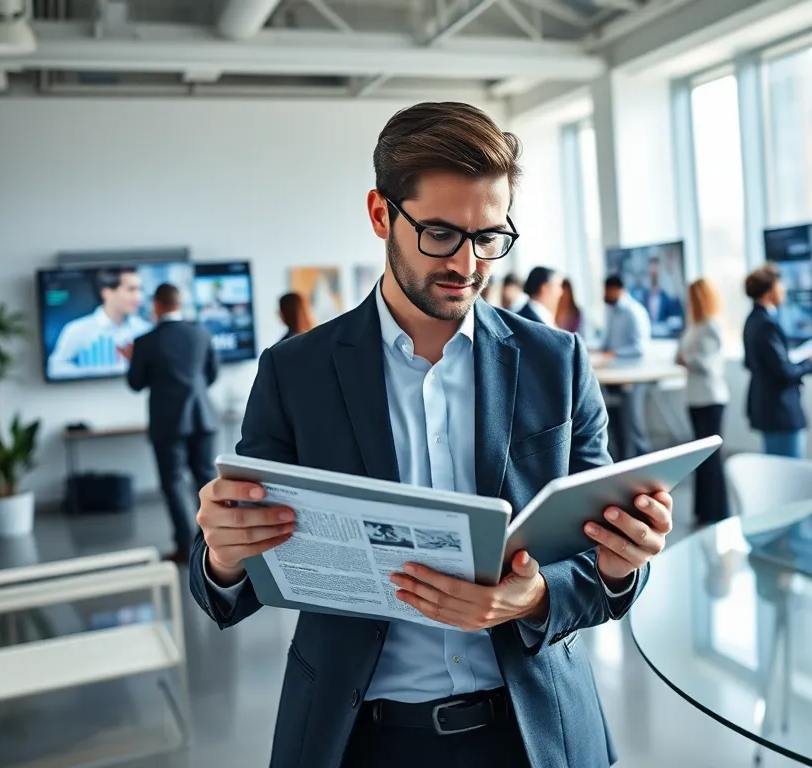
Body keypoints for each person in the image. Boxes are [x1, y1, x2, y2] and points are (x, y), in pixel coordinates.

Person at [188, 102, 674, 768]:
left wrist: (557, 588)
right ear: (382, 214)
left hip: (534, 731)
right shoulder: (296, 372)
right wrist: (223, 552)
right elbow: (225, 587)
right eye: (441, 234)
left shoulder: (555, 363)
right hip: (358, 738)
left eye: (490, 238)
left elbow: (603, 569)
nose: (469, 264)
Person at [126, 283, 219, 564]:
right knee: (207, 482)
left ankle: (185, 547)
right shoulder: (201, 333)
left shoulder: (145, 341)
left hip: (167, 422)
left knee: (173, 483)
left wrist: (132, 359)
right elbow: (212, 375)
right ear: (178, 303)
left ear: (156, 305)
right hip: (203, 416)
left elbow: (135, 383)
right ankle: (217, 545)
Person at [742, 264, 812, 459]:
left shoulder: (753, 319)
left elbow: (752, 362)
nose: (783, 290)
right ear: (769, 291)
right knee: (790, 473)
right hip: (780, 410)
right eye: (779, 286)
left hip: (767, 407)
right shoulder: (767, 324)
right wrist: (810, 364)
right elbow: (782, 371)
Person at [676, 279, 729, 526]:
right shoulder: (693, 326)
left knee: (712, 458)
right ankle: (703, 509)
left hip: (711, 398)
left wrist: (688, 358)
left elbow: (710, 365)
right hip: (694, 398)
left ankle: (718, 510)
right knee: (700, 458)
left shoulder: (712, 327)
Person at [47, 265, 153, 379]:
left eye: (140, 289)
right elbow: (55, 368)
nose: (138, 297)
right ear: (107, 293)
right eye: (131, 289)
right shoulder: (77, 329)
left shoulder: (145, 330)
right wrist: (93, 373)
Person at [596, 274, 653, 462]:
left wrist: (615, 353)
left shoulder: (634, 312)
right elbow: (606, 342)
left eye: (607, 291)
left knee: (634, 424)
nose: (605, 295)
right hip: (613, 377)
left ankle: (644, 465)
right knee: (615, 425)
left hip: (632, 378)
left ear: (617, 290)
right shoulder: (611, 311)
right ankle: (621, 463)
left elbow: (640, 348)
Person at [631, 254, 684, 335]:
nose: (653, 277)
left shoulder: (670, 298)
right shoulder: (642, 298)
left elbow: (676, 324)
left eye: (655, 274)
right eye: (651, 274)